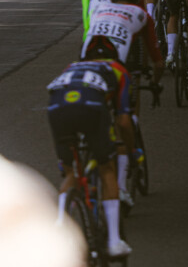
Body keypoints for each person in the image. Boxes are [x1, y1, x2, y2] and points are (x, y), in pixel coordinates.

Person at [47, 42, 135, 258]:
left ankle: (60, 223)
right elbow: (124, 121)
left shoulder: (71, 66)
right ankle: (114, 241)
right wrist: (132, 152)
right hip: (92, 107)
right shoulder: (119, 69)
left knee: (71, 172)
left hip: (57, 107)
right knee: (106, 168)